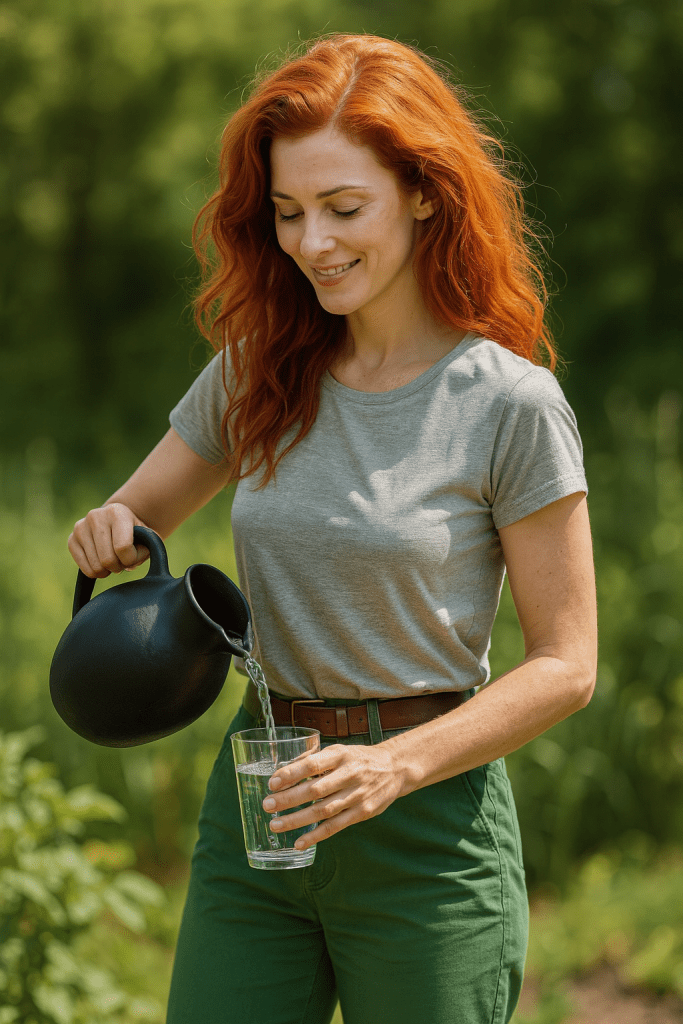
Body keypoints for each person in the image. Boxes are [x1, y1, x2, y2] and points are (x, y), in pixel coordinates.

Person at [68, 33, 597, 1024]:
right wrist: (113, 532)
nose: (312, 241)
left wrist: (392, 766)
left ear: (424, 193)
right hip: (262, 810)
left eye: (343, 208)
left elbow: (566, 664)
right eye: (287, 213)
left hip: (427, 831)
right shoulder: (258, 368)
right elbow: (137, 513)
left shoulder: (507, 405)